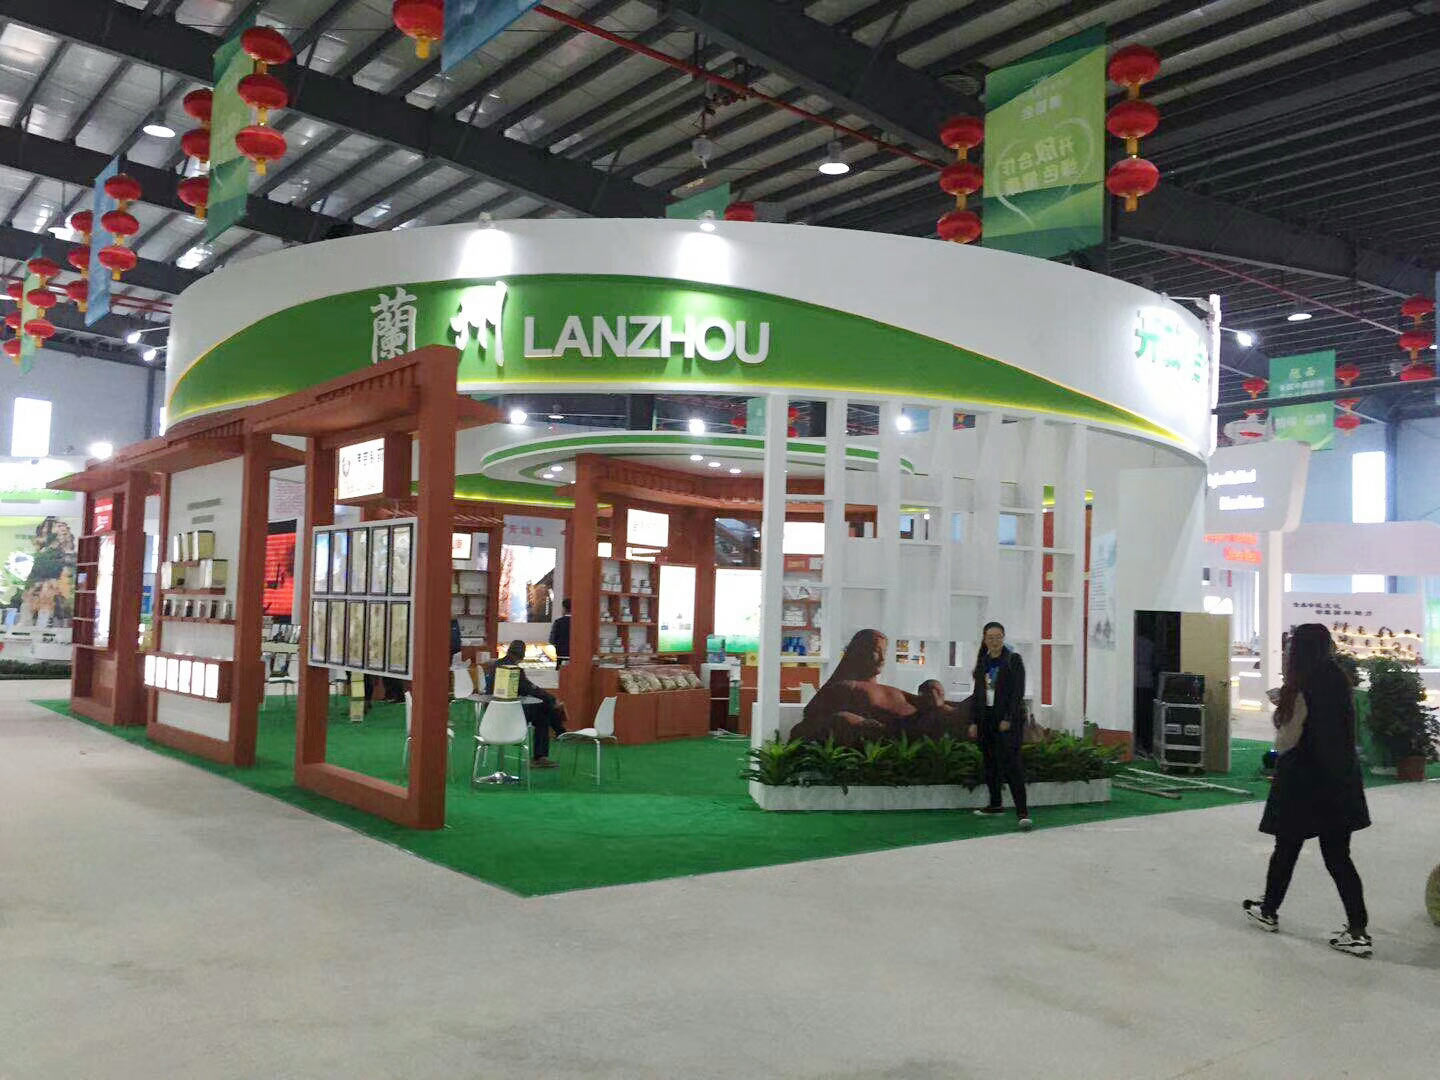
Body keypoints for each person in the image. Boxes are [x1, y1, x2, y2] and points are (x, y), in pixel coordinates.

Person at [1243, 623, 1371, 956]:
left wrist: (1282, 707)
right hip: (1339, 781)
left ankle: (1268, 910)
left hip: (1302, 781)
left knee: (1286, 847)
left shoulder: (1301, 686)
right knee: (1338, 857)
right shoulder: (1338, 680)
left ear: (1298, 651)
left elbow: (1288, 740)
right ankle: (1358, 930)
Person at [969, 622, 1031, 831]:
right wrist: (974, 721)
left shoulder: (1013, 660)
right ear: (985, 639)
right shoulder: (983, 662)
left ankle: (1022, 812)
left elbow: (1017, 693)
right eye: (990, 637)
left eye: (998, 637)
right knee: (990, 763)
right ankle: (995, 804)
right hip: (986, 720)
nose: (994, 641)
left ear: (1003, 638)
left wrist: (1008, 718)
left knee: (1012, 765)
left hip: (1007, 722)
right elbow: (977, 694)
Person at [484, 640, 567, 768]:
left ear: (509, 651)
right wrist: (552, 699)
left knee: (543, 709)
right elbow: (530, 689)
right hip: (510, 715)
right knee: (544, 711)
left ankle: (559, 731)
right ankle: (555, 737)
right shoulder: (514, 670)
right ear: (522, 655)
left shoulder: (495, 665)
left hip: (490, 715)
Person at [548, 598, 572, 669]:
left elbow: (552, 640)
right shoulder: (578, 622)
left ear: (564, 608)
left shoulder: (558, 622)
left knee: (561, 674)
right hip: (575, 657)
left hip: (561, 656)